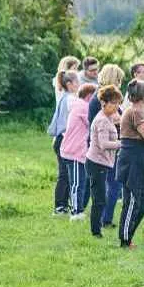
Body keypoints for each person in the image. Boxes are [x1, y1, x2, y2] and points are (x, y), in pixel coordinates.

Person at [116, 80, 144, 249]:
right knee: (132, 201)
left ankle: (128, 236)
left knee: (141, 202)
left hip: (135, 160)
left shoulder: (138, 112)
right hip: (132, 160)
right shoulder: (136, 112)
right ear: (143, 96)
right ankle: (125, 240)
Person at [87, 64, 126, 228]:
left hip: (102, 146)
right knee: (114, 184)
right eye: (120, 80)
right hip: (106, 147)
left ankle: (102, 217)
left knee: (107, 186)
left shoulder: (100, 97)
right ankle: (105, 219)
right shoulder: (103, 100)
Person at [60, 83, 97, 221]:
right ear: (89, 96)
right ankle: (76, 212)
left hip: (76, 151)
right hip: (75, 151)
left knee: (82, 181)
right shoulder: (83, 107)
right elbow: (93, 122)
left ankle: (78, 208)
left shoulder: (79, 105)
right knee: (77, 183)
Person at [47, 69, 79, 215]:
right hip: (63, 139)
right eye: (77, 82)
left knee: (66, 173)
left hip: (61, 139)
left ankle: (64, 204)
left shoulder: (66, 97)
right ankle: (60, 206)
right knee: (65, 174)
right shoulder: (71, 100)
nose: (79, 84)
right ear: (69, 84)